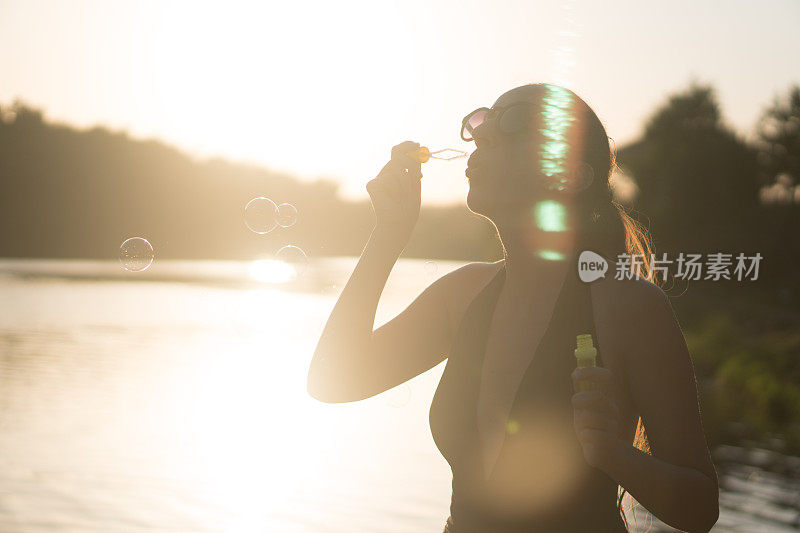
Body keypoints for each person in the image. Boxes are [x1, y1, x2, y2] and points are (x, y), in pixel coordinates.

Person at [307, 83, 719, 532]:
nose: (483, 139)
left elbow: (699, 509)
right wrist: (388, 235)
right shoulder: (462, 295)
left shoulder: (630, 306)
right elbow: (332, 381)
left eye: (513, 123)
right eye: (482, 125)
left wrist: (615, 455)